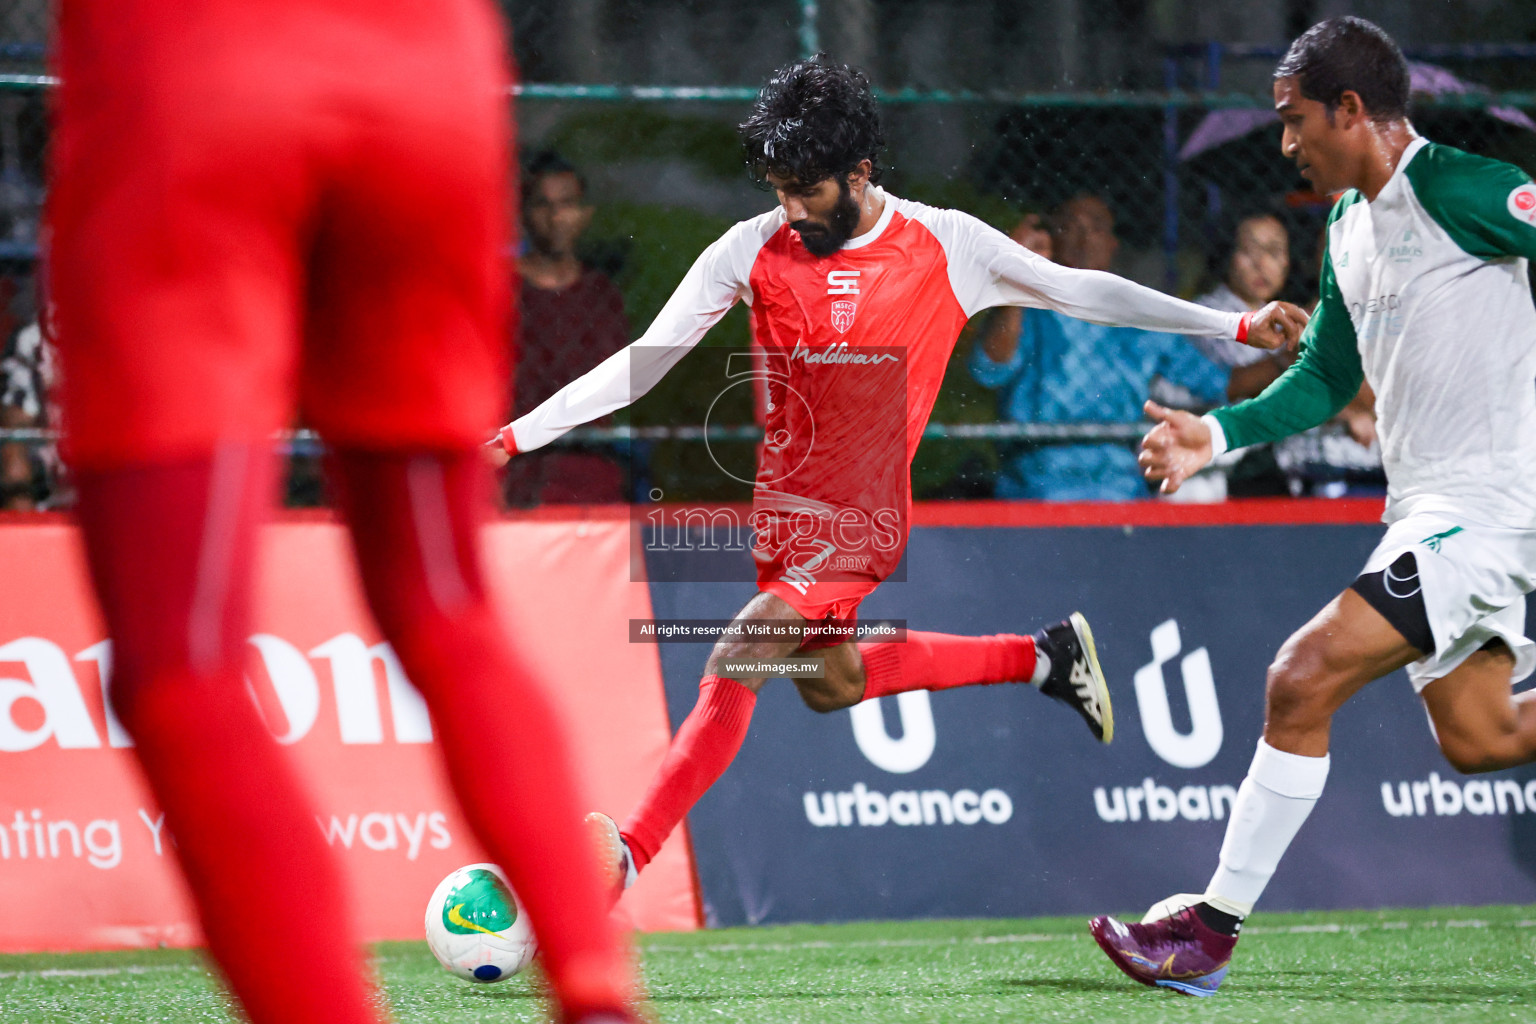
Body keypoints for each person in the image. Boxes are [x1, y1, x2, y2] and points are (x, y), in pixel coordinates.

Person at [489, 57, 1308, 897]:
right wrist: (516, 437)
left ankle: (628, 854)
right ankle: (1042, 658)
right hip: (786, 519)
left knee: (739, 653)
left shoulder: (945, 245)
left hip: (860, 522)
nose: (790, 209)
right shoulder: (751, 248)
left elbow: (1082, 293)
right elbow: (643, 364)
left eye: (806, 190)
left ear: (860, 173)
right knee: (830, 683)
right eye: (777, 189)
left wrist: (1234, 324)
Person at [51, 3, 637, 1023]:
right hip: (426, 80)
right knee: (445, 607)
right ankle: (597, 993)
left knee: (182, 665)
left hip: (192, 77)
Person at [1091, 16, 1536, 996]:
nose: (1287, 143)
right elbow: (1328, 373)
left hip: (1490, 511)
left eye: (1296, 121)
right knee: (1483, 737)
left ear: (1351, 110)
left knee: (1300, 677)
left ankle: (1204, 934)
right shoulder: (1342, 227)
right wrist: (1213, 433)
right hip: (1426, 510)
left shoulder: (1461, 189)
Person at [970, 195, 1230, 500]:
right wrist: (1014, 277)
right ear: (1052, 237)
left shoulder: (1137, 312)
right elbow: (987, 370)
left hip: (1119, 488)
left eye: (1095, 228)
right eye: (1070, 227)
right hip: (1035, 483)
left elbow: (1219, 383)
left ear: (1112, 243)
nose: (1083, 239)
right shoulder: (1028, 305)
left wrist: (1292, 360)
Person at [505, 151, 631, 505]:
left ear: (585, 213)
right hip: (512, 474)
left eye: (567, 204)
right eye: (544, 205)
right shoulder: (501, 291)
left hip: (587, 472)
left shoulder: (601, 296)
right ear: (525, 213)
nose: (557, 217)